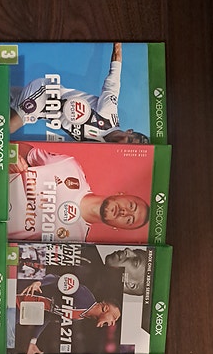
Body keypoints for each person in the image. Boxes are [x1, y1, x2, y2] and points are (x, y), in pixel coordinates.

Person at [8, 142, 150, 242]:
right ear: (121, 194)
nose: (125, 212)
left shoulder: (75, 242)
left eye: (129, 220)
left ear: (116, 227)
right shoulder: (70, 166)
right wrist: (12, 156)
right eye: (131, 206)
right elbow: (25, 152)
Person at [10, 42, 149, 143]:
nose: (123, 142)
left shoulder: (98, 146)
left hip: (40, 113)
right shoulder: (108, 113)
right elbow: (114, 77)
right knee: (8, 128)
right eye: (129, 140)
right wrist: (117, 43)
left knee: (1, 99)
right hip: (44, 93)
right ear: (129, 131)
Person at [17, 273, 121, 354]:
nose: (113, 324)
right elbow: (56, 279)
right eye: (114, 318)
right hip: (20, 291)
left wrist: (33, 340)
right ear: (105, 308)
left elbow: (48, 316)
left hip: (21, 309)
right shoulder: (85, 295)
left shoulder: (80, 317)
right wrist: (39, 283)